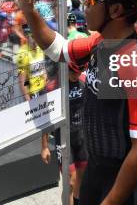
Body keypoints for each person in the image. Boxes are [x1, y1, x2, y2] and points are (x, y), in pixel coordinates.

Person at [15, 0, 137, 205]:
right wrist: (29, 9)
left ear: (115, 10)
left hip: (125, 182)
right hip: (97, 170)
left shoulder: (135, 65)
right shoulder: (100, 42)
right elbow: (58, 49)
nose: (84, 4)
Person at [41, 61, 87, 205]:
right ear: (65, 69)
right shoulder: (52, 87)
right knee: (70, 183)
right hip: (64, 139)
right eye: (74, 72)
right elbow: (46, 119)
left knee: (81, 181)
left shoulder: (84, 80)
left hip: (82, 137)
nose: (77, 75)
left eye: (80, 72)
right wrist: (44, 146)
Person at [16, 26, 47, 101]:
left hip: (43, 88)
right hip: (32, 93)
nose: (36, 40)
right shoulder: (22, 54)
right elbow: (22, 80)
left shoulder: (40, 47)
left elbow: (42, 66)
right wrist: (27, 98)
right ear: (27, 37)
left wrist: (45, 75)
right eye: (33, 37)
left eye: (37, 36)